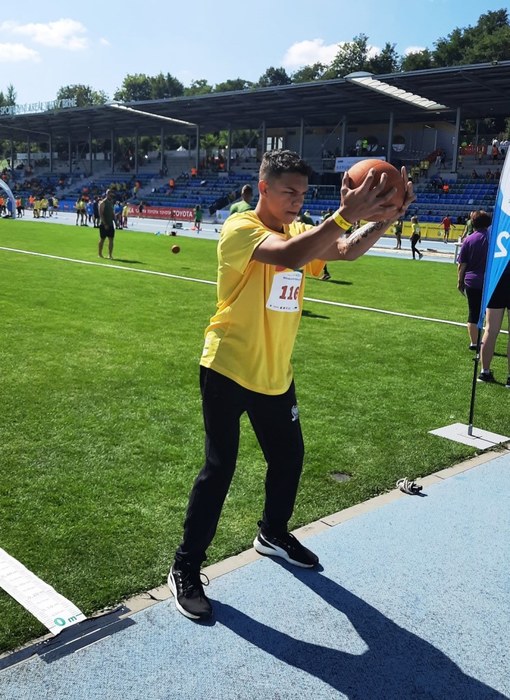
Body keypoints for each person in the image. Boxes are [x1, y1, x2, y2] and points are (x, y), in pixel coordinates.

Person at [167, 149, 414, 621]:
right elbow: (289, 255)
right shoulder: (240, 228)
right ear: (263, 188)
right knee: (219, 468)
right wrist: (346, 215)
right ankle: (186, 566)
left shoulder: (300, 229)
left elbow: (344, 250)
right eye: (288, 192)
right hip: (228, 366)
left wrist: (385, 218)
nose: (298, 201)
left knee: (289, 458)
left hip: (276, 373)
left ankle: (272, 533)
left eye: (302, 193)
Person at [456, 211, 491, 351]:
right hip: (490, 282)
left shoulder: (469, 240)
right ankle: (487, 341)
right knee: (490, 314)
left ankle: (474, 343)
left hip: (473, 281)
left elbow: (462, 264)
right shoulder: (493, 238)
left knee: (473, 312)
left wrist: (460, 281)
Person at [477, 259, 510, 387]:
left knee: (490, 330)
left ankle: (484, 372)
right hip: (498, 277)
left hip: (496, 277)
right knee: (490, 330)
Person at [98, 189, 115, 259]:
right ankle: (100, 254)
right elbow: (101, 214)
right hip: (104, 224)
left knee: (111, 239)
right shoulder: (102, 203)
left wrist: (115, 221)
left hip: (110, 224)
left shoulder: (111, 203)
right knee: (102, 239)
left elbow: (112, 213)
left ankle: (110, 255)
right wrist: (105, 224)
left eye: (111, 194)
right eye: (109, 194)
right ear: (107, 194)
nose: (111, 196)